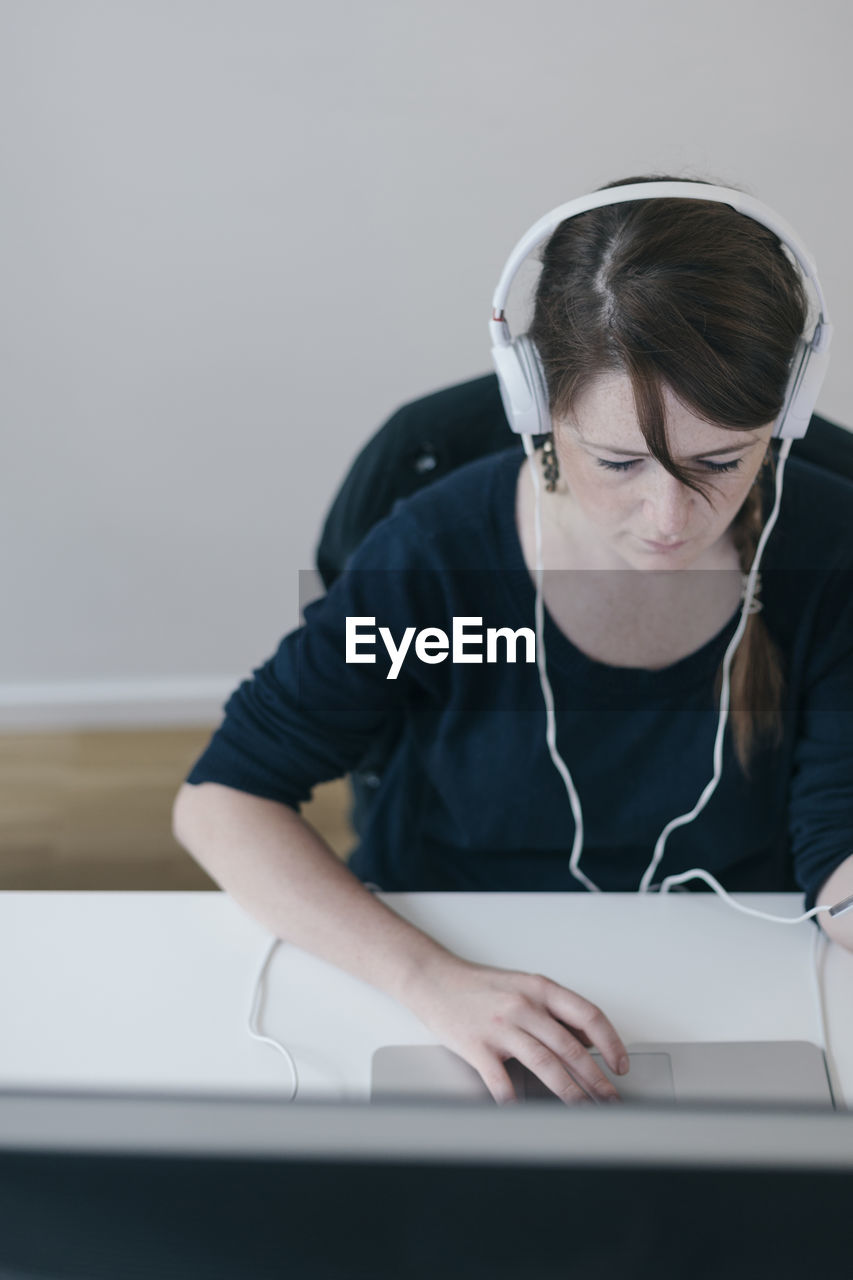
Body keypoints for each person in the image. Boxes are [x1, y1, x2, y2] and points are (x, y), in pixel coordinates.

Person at [173, 175, 853, 1106]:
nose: (668, 519)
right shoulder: (439, 561)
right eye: (618, 462)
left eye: (720, 463)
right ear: (535, 405)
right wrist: (428, 981)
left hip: (742, 970)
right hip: (450, 965)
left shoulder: (825, 546)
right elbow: (225, 799)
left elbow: (834, 841)